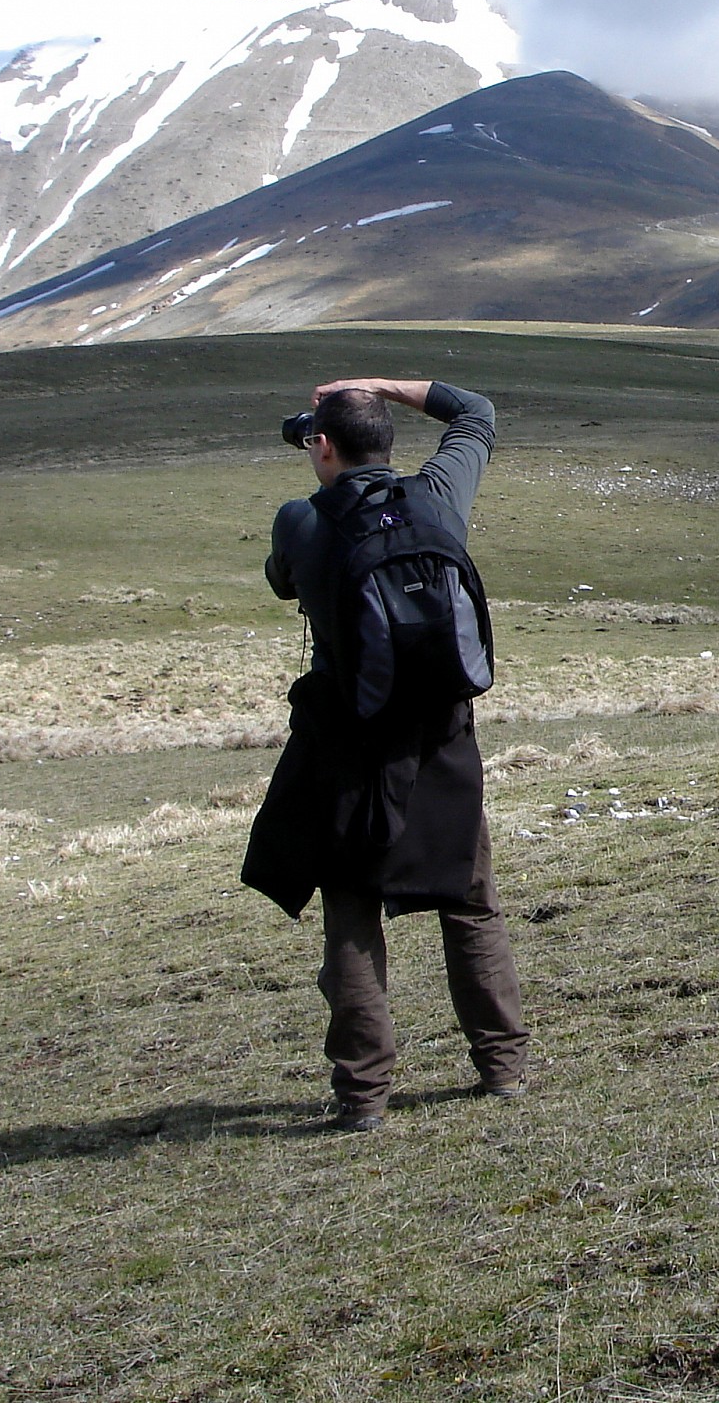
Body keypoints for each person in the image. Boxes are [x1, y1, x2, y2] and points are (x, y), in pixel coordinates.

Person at [242, 377, 527, 1130]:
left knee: (353, 918)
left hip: (347, 747)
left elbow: (280, 582)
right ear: (388, 441)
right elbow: (477, 412)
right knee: (470, 906)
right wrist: (382, 389)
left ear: (323, 446)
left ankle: (363, 1097)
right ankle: (501, 1068)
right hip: (442, 739)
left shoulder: (300, 521)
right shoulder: (439, 497)